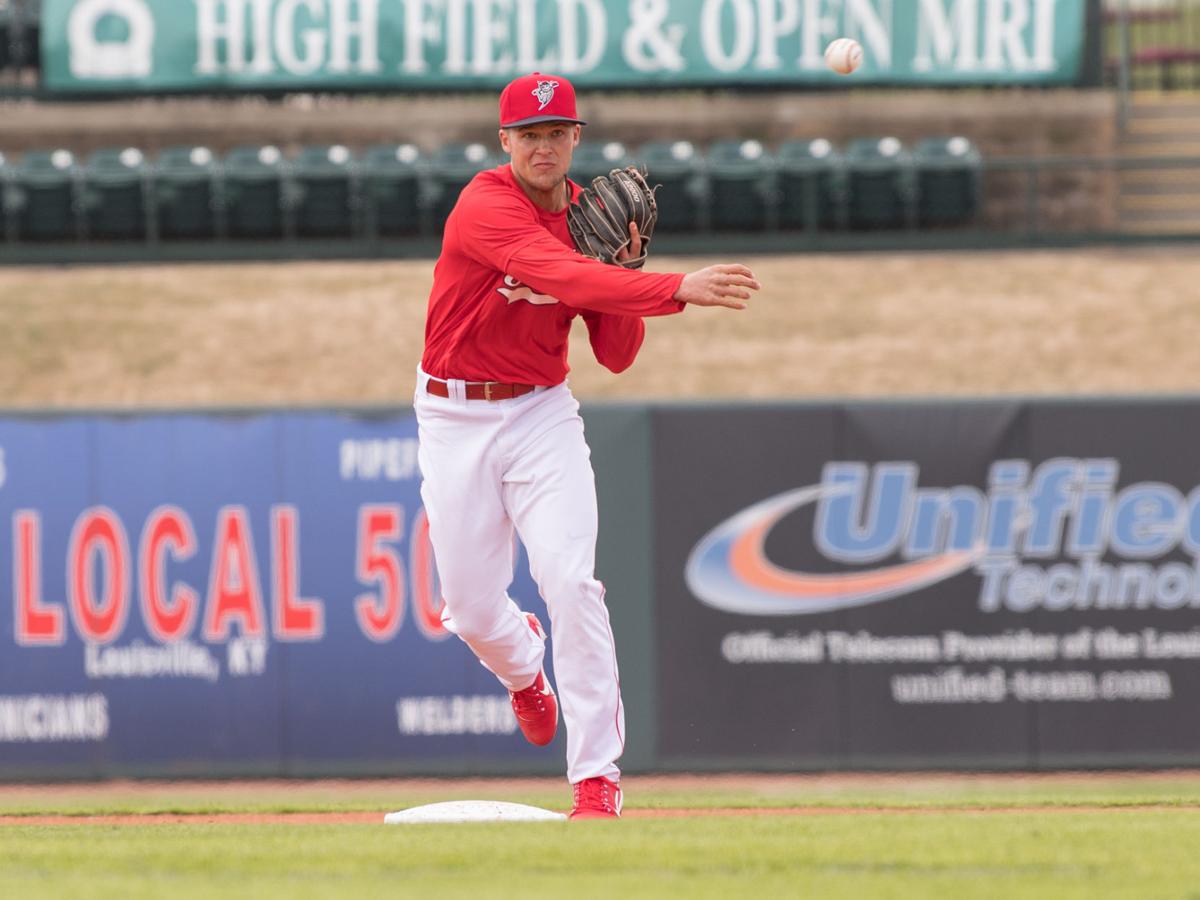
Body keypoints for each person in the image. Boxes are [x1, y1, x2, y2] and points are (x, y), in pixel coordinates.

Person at [414, 71, 760, 820]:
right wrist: (671, 288)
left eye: (556, 132)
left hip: (541, 414)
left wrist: (626, 273)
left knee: (572, 583)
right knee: (472, 611)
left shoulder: (590, 218)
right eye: (529, 135)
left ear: (576, 138)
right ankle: (524, 675)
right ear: (505, 142)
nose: (543, 146)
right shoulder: (485, 206)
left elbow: (615, 355)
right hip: (454, 415)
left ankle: (597, 778)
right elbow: (554, 271)